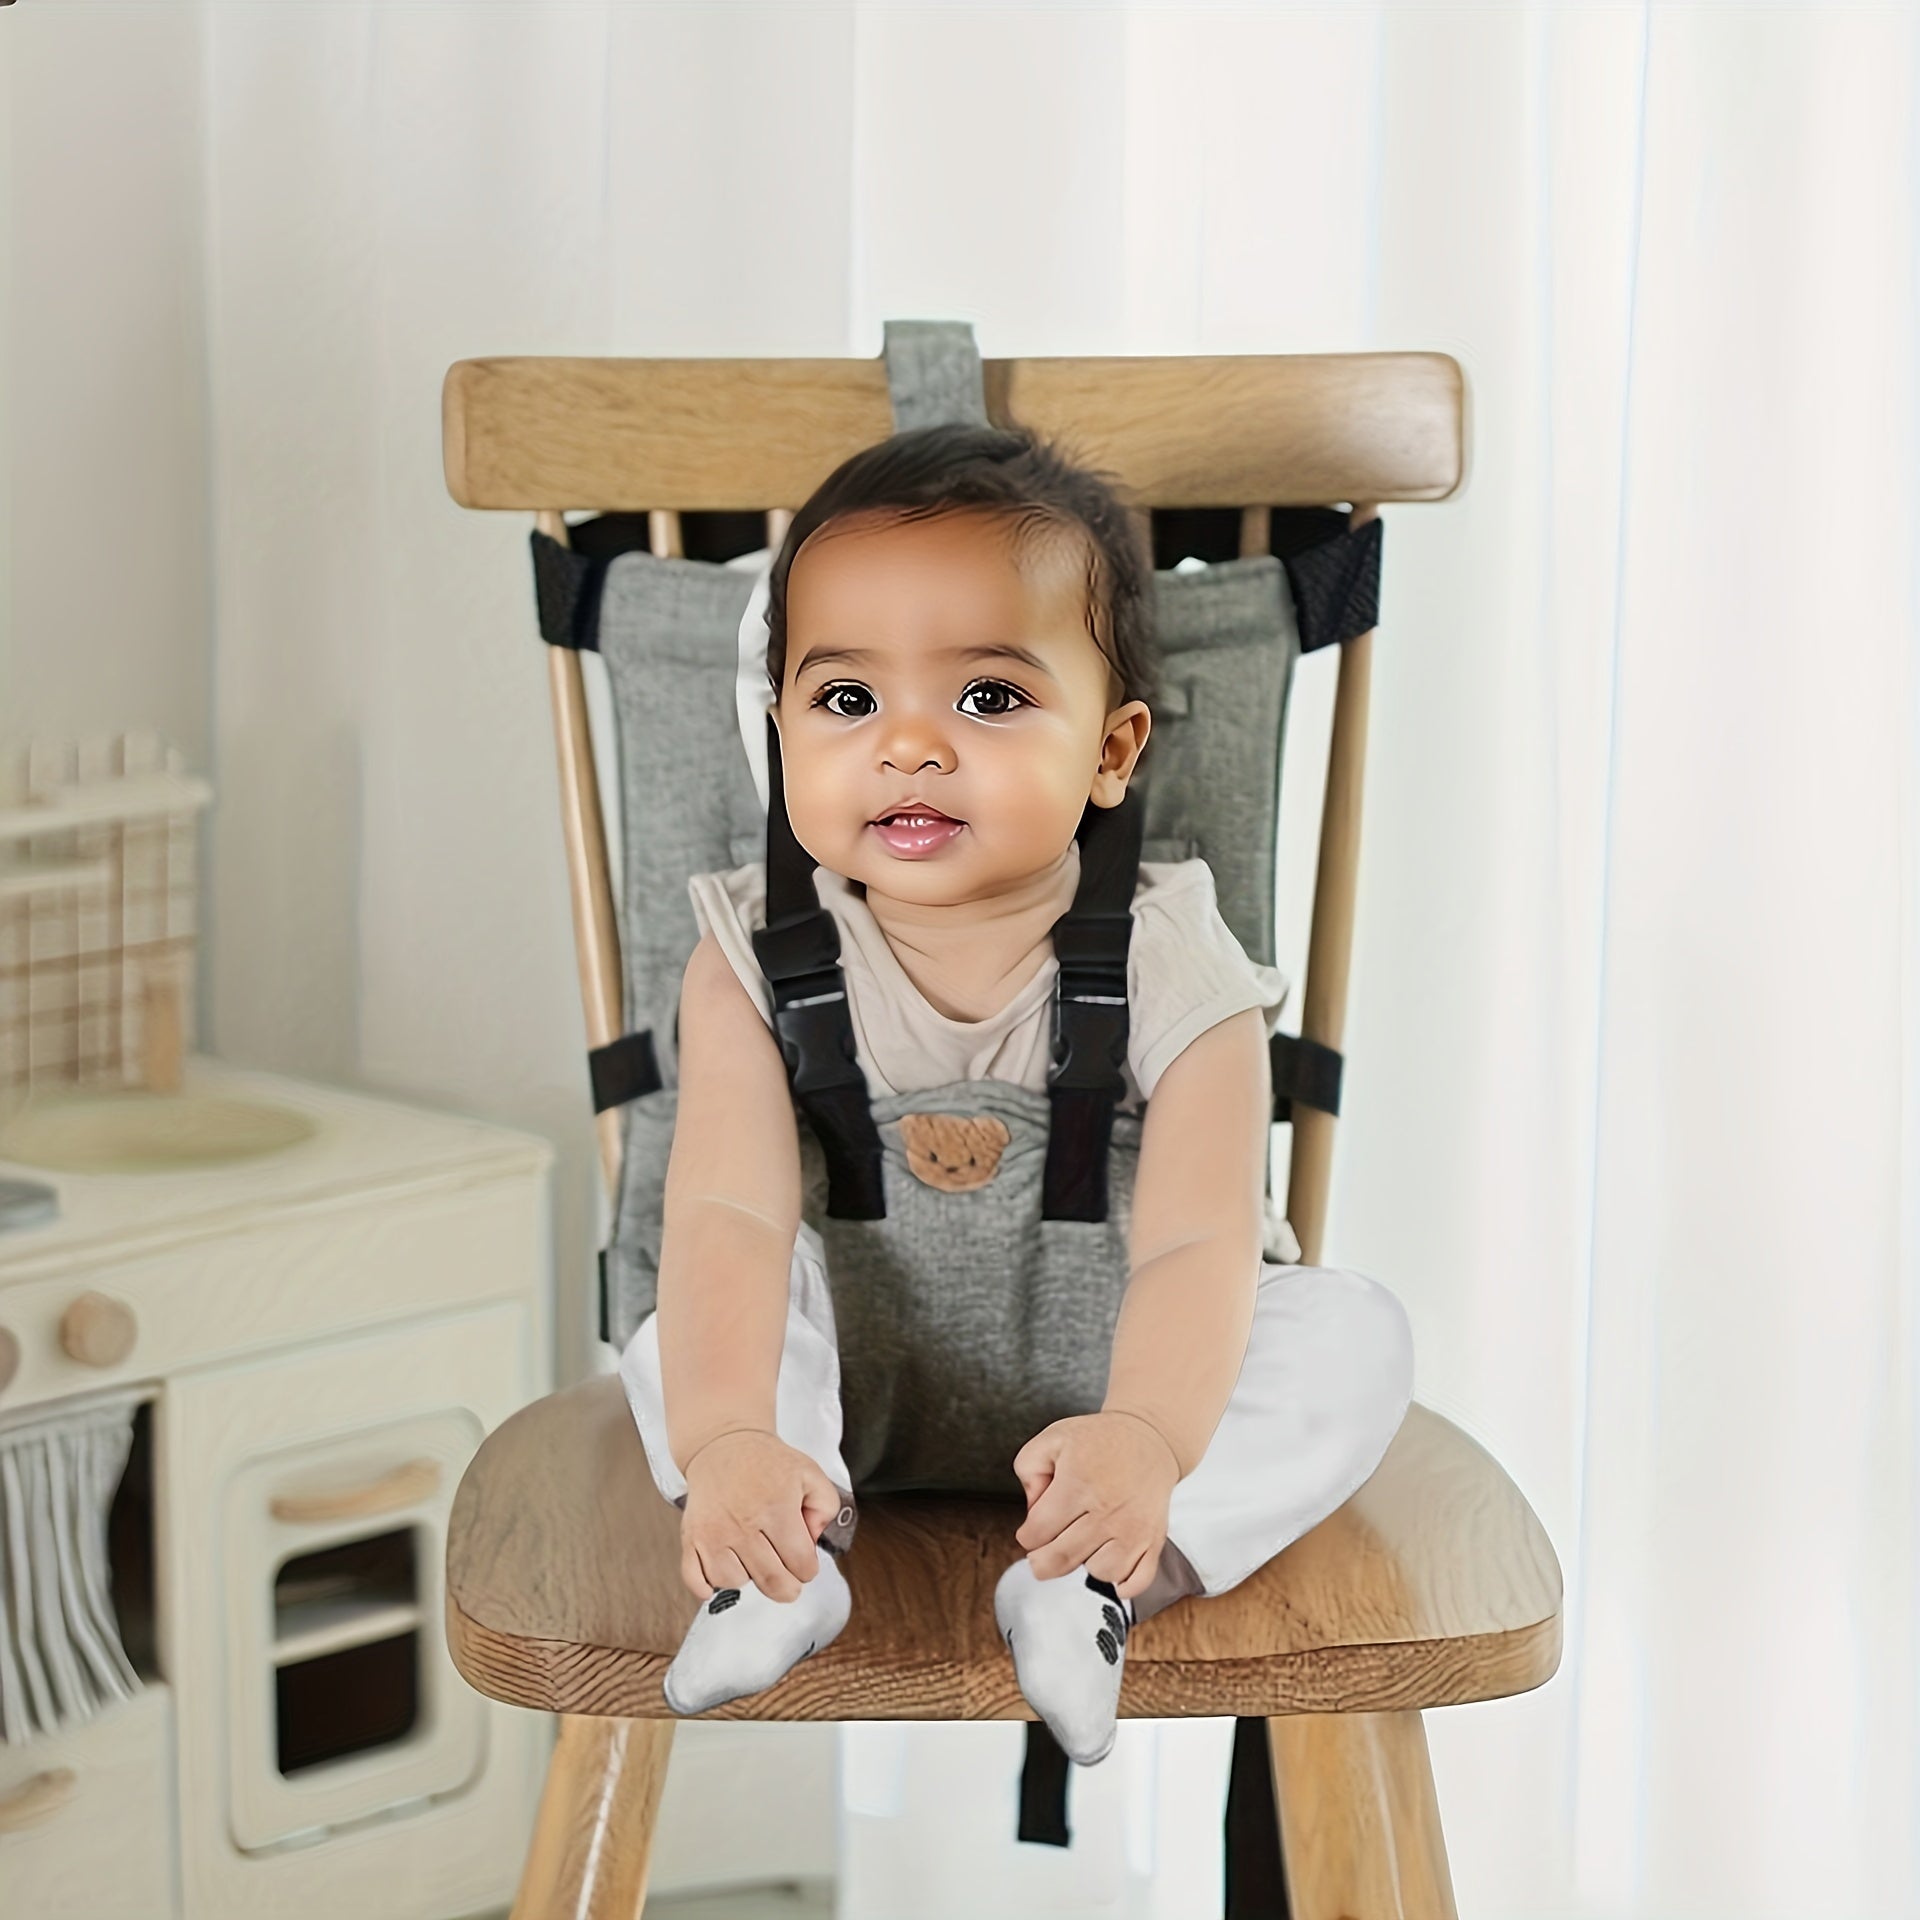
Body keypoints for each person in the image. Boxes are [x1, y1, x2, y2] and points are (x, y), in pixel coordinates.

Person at [619, 422, 1414, 1766]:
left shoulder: (1177, 957)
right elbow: (727, 1222)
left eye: (987, 698)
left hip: (1133, 1386)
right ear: (780, 731)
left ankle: (1095, 1584)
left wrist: (1152, 1439)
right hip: (844, 1410)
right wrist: (730, 1437)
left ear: (1112, 754)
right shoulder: (745, 957)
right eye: (847, 700)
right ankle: (774, 1567)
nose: (911, 748)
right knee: (668, 1336)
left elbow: (1196, 1241)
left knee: (1357, 1339)